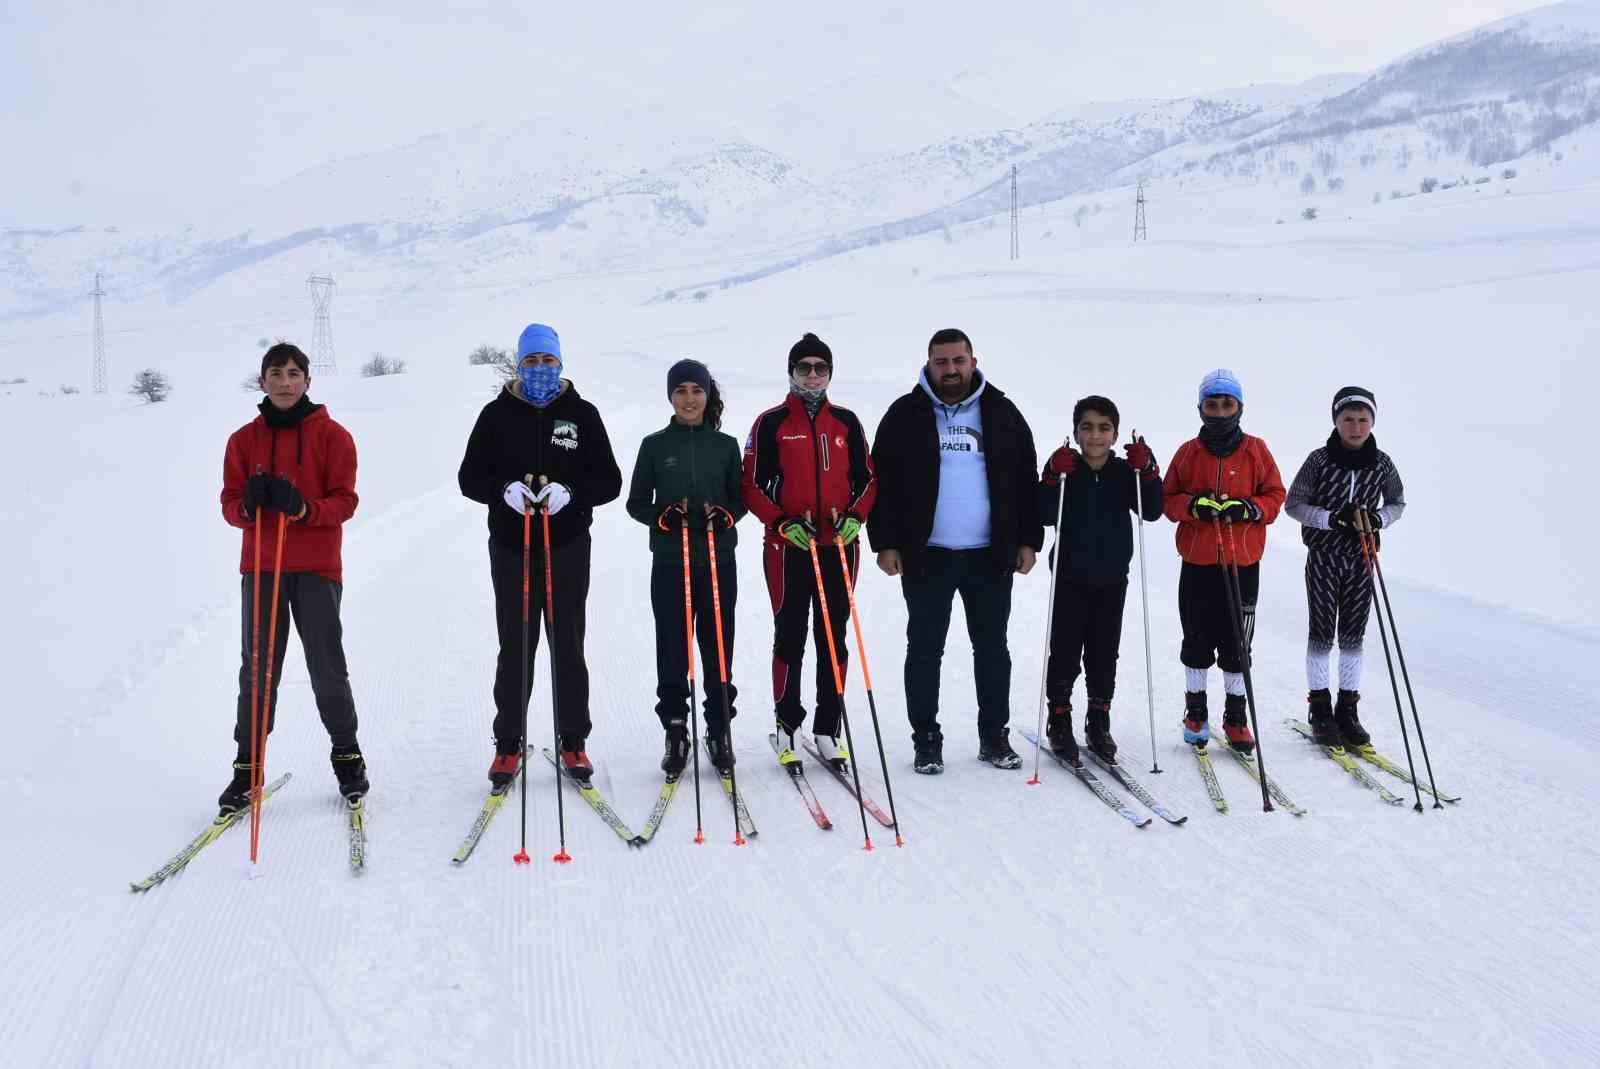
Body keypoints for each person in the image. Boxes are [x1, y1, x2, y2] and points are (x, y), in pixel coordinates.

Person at [868, 328, 1042, 774]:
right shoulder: (905, 414)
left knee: (992, 648)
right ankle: (926, 738)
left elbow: (1025, 479)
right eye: (941, 362)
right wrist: (885, 542)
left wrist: (1028, 539)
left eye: (958, 360)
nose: (950, 369)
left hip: (990, 554)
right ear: (928, 364)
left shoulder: (1001, 412)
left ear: (973, 360)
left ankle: (993, 736)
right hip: (927, 554)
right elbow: (880, 482)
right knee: (925, 648)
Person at [458, 323, 622, 785]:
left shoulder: (582, 414)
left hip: (566, 545)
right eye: (531, 361)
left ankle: (573, 741)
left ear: (560, 363)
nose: (540, 370)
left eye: (548, 361)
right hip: (512, 547)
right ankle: (508, 744)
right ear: (519, 365)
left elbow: (610, 481)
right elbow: (469, 478)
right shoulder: (495, 415)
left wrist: (571, 492)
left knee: (567, 643)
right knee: (516, 644)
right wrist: (502, 490)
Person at [217, 343, 365, 814]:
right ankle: (248, 768)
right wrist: (247, 505)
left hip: (317, 569)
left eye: (294, 373)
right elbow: (229, 506)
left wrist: (303, 508)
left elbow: (346, 501)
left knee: (326, 666)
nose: (285, 382)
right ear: (261, 381)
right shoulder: (243, 441)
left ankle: (347, 756)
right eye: (276, 373)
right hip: (262, 568)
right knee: (258, 668)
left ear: (307, 381)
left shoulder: (333, 436)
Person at [742, 333, 877, 771]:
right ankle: (787, 724)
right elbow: (750, 484)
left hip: (838, 544)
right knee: (790, 633)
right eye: (805, 367)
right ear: (792, 372)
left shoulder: (847, 422)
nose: (813, 374)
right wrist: (779, 521)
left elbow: (869, 480)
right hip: (788, 546)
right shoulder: (771, 422)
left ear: (830, 373)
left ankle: (826, 726)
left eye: (821, 367)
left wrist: (856, 516)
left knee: (832, 635)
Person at [625, 359, 746, 777]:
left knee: (717, 649)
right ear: (670, 396)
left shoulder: (726, 445)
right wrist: (661, 516)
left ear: (707, 395)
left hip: (717, 562)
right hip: (671, 564)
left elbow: (740, 498)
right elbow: (636, 502)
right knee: (673, 649)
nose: (689, 399)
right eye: (681, 391)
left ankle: (719, 728)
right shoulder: (655, 445)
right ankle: (676, 728)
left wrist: (726, 515)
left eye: (697, 391)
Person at [1161, 368, 1285, 753]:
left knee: (1236, 641)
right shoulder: (1188, 452)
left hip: (1242, 562)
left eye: (1226, 404)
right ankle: (1195, 710)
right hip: (1197, 561)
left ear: (1240, 406)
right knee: (1196, 636)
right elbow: (1167, 500)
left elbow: (1275, 495)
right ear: (1200, 408)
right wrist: (1193, 505)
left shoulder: (1256, 450)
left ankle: (1236, 717)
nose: (1219, 412)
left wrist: (1249, 509)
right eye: (1212, 404)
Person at [1037, 396, 1164, 765]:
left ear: (1116, 434)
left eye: (1104, 428)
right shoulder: (1066, 469)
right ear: (1076, 431)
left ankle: (1098, 720)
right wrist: (1049, 475)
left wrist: (1149, 469)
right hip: (1069, 577)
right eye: (1087, 427)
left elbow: (1152, 510)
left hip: (1111, 577)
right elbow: (1044, 513)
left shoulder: (1126, 473)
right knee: (1065, 650)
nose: (1095, 435)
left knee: (1103, 650)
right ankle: (1059, 720)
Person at [1285, 386, 1406, 747]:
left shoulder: (1381, 462)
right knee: (1322, 632)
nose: (1355, 427)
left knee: (1353, 635)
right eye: (1348, 419)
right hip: (1323, 555)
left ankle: (1348, 710)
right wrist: (1329, 519)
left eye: (1363, 420)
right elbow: (1294, 504)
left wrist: (1378, 518)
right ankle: (1320, 709)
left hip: (1361, 556)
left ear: (1372, 422)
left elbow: (1398, 502)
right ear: (1336, 421)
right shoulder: (1319, 459)